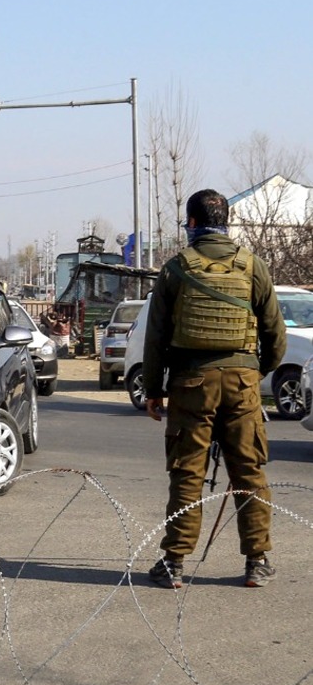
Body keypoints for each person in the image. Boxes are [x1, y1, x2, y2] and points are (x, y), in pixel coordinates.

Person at [143, 189, 285, 589]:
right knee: (249, 471)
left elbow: (155, 338)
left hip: (191, 383)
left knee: (187, 473)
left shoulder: (175, 268)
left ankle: (173, 563)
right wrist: (254, 373)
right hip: (243, 383)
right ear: (226, 223)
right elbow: (275, 333)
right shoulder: (253, 266)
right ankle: (257, 562)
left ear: (191, 223)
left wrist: (154, 389)